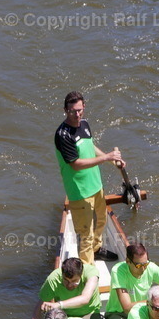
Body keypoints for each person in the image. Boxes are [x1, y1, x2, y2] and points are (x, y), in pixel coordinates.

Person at [54, 91, 124, 266]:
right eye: (72, 111)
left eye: (79, 110)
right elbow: (76, 164)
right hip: (80, 192)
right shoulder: (63, 135)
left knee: (101, 220)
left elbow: (90, 146)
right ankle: (88, 271)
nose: (76, 115)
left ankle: (96, 250)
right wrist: (106, 157)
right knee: (86, 234)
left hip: (96, 186)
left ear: (84, 106)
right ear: (65, 110)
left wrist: (112, 161)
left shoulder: (84, 124)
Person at [30, 256, 109, 319]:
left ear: (81, 274)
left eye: (74, 281)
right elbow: (37, 311)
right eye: (66, 281)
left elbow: (85, 298)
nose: (69, 285)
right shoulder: (53, 279)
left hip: (89, 313)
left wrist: (58, 305)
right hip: (65, 316)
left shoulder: (91, 273)